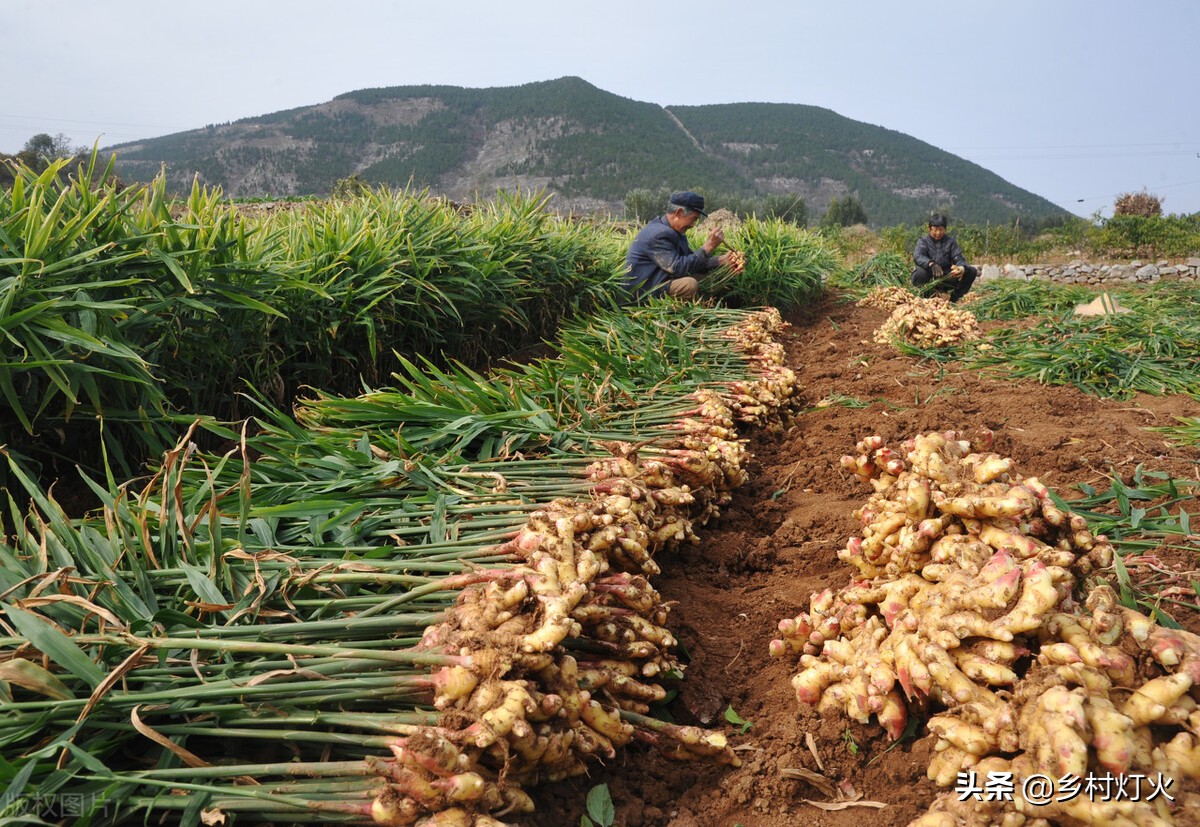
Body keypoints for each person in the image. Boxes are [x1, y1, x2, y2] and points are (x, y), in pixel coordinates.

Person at [624, 191, 743, 300]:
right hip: (643, 291)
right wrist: (708, 246)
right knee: (689, 285)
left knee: (708, 279)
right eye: (694, 219)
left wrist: (720, 261)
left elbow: (690, 262)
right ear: (679, 212)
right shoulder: (659, 234)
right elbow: (678, 268)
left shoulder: (675, 232)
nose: (693, 225)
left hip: (660, 281)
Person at [912, 213, 977, 302]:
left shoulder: (951, 242)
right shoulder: (923, 241)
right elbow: (918, 256)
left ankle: (955, 299)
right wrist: (931, 263)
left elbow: (958, 257)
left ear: (945, 229)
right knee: (920, 272)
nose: (938, 233)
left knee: (972, 271)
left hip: (945, 276)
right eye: (935, 230)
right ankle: (925, 297)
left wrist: (961, 268)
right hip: (929, 275)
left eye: (941, 230)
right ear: (929, 229)